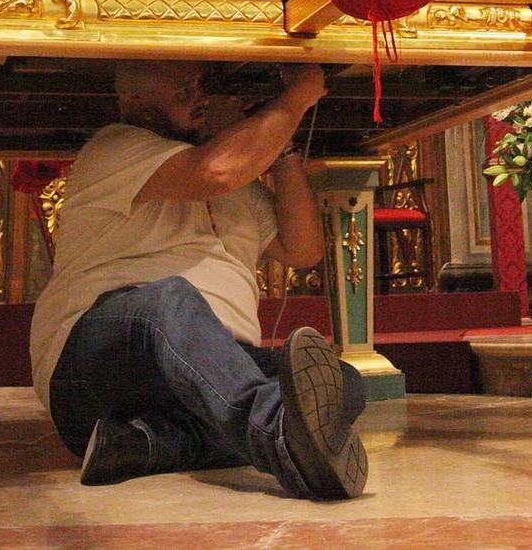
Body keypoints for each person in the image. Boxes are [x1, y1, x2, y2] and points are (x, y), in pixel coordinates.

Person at [31, 62, 369, 500]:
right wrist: (295, 99)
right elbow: (214, 172)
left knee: (343, 381)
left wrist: (281, 149)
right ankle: (278, 433)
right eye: (182, 88)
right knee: (170, 300)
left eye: (201, 87)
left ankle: (153, 444)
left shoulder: (241, 189)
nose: (200, 96)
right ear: (136, 101)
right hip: (91, 368)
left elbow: (303, 250)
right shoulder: (115, 147)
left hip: (210, 373)